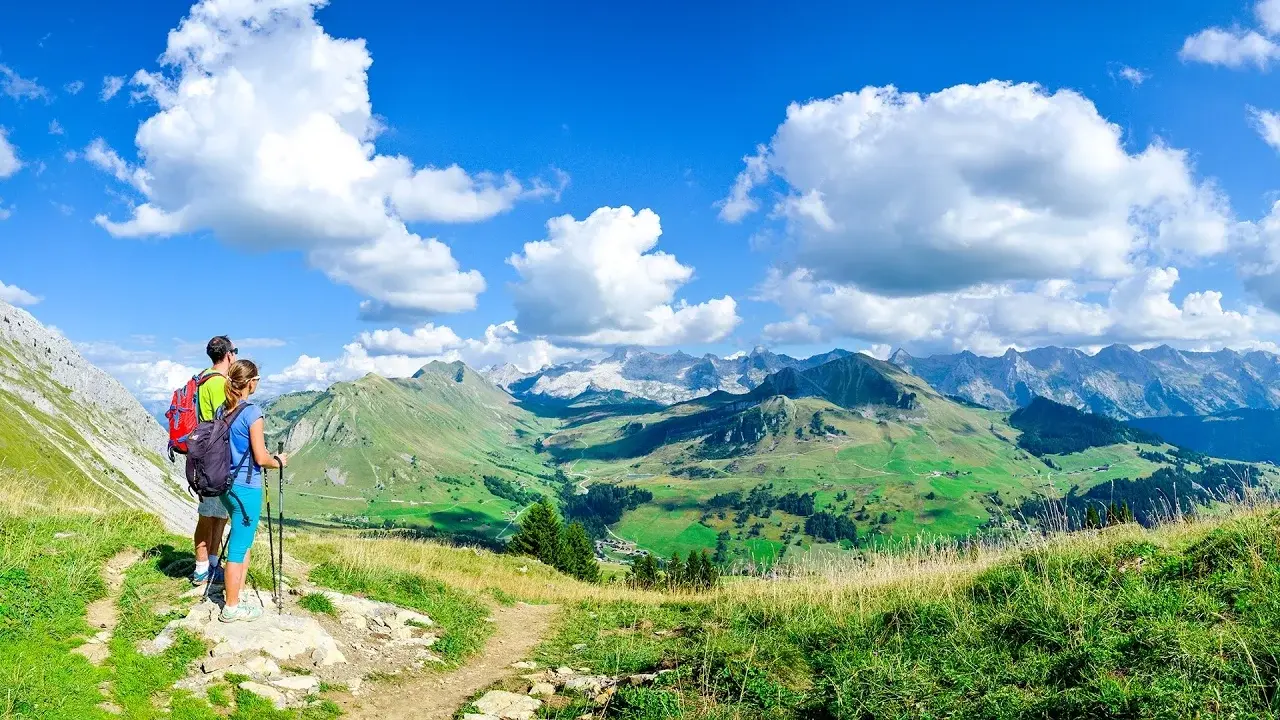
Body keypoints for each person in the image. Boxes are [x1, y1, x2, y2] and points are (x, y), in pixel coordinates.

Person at [218, 359, 287, 623]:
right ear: (251, 382)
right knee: (238, 546)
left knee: (242, 542)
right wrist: (278, 461)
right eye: (257, 379)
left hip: (226, 486)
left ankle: (236, 593)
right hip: (246, 488)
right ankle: (232, 607)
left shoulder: (223, 410)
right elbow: (260, 458)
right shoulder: (252, 413)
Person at [192, 335, 237, 586]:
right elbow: (226, 418)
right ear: (229, 354)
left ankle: (211, 562)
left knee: (218, 512)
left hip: (206, 453)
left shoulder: (203, 378)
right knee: (209, 512)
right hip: (214, 456)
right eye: (235, 352)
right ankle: (201, 568)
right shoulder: (219, 383)